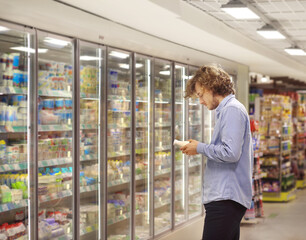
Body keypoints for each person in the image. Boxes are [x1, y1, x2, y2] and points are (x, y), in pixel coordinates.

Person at [180, 65, 253, 240]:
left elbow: (231, 153)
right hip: (224, 198)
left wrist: (199, 147)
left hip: (226, 199)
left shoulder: (232, 110)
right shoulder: (226, 111)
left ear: (211, 88)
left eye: (200, 95)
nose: (201, 101)